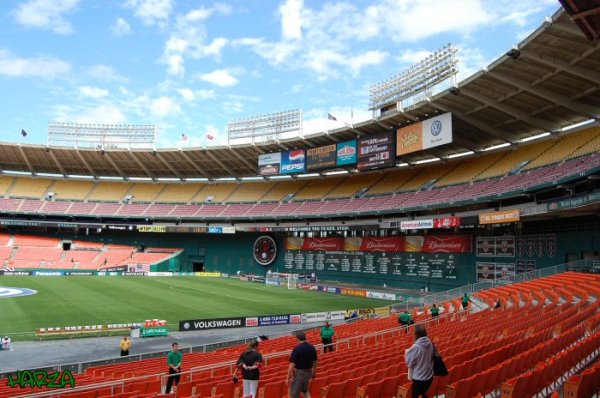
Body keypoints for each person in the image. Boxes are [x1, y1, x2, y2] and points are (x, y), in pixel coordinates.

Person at [405, 324, 434, 398]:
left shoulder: (416, 347)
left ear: (416, 335)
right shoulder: (430, 343)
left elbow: (409, 362)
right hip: (429, 376)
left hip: (419, 378)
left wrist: (407, 352)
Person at [287, 331, 317, 398]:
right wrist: (314, 373)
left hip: (300, 373)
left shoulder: (297, 348)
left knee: (293, 394)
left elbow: (292, 365)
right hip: (309, 372)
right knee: (305, 391)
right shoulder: (312, 347)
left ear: (297, 338)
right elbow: (315, 361)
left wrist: (287, 378)